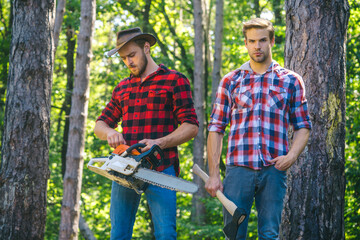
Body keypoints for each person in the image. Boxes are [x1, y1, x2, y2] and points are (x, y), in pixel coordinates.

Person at [205, 18, 312, 240]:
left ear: (272, 41)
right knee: (234, 235)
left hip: (274, 171)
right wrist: (214, 174)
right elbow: (216, 128)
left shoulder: (291, 81)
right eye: (252, 41)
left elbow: (303, 126)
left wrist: (291, 156)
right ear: (245, 43)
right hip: (238, 171)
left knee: (270, 234)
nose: (257, 46)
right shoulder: (231, 80)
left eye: (262, 40)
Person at [94, 27, 199, 240]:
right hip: (124, 168)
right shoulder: (122, 88)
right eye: (123, 58)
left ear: (146, 48)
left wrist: (159, 142)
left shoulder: (174, 80)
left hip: (161, 167)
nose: (128, 62)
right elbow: (99, 125)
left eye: (132, 55)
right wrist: (110, 133)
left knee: (165, 234)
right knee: (119, 234)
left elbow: (191, 126)